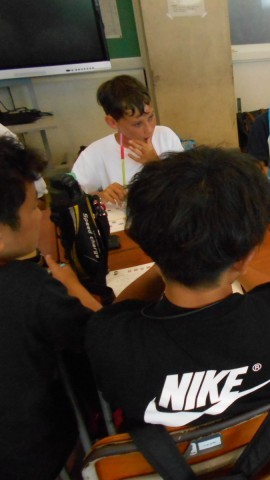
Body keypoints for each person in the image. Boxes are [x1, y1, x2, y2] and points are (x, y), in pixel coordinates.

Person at [85, 147, 270, 430]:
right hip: (263, 450)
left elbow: (115, 313)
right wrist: (237, 258)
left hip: (163, 455)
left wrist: (165, 258)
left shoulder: (112, 340)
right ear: (246, 258)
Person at [0, 136, 102, 479]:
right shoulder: (31, 290)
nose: (42, 214)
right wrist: (74, 287)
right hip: (32, 455)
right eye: (33, 207)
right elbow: (102, 338)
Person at [71, 75, 183, 204]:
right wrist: (100, 196)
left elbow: (186, 186)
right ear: (112, 122)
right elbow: (70, 197)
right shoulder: (95, 153)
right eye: (137, 124)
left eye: (151, 117)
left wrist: (155, 163)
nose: (149, 130)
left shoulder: (165, 136)